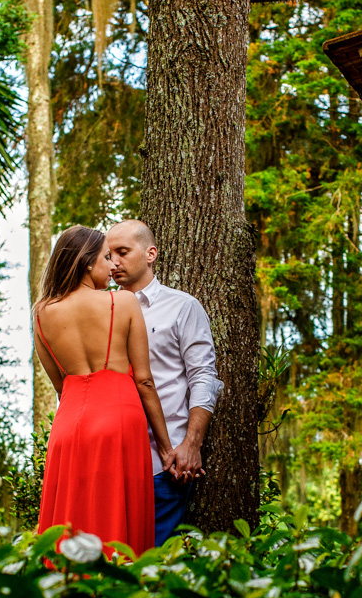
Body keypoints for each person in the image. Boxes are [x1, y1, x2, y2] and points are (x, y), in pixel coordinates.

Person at [34, 225, 175, 557]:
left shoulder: (41, 314)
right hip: (118, 420)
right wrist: (166, 448)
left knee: (69, 520)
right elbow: (144, 381)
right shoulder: (122, 302)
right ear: (87, 263)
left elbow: (60, 385)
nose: (112, 266)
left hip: (68, 425)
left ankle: (67, 592)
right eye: (106, 257)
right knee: (117, 521)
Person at [105, 220, 224, 546]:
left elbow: (203, 377)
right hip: (112, 464)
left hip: (165, 464)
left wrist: (192, 444)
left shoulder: (182, 307)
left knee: (154, 567)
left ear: (150, 253)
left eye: (123, 252)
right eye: (108, 254)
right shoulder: (103, 312)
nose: (113, 262)